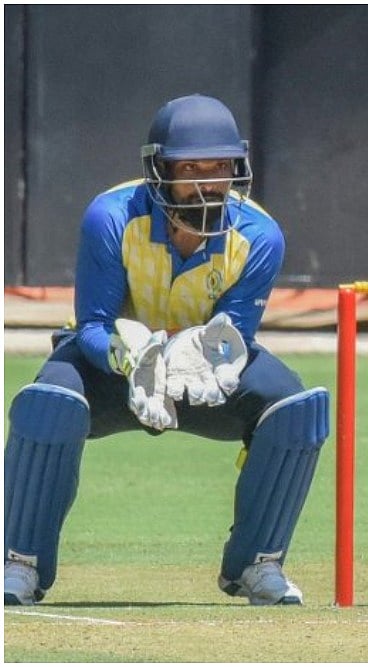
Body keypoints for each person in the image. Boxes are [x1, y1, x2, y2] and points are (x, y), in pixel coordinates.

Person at [4, 94, 329, 606]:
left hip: (198, 371)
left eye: (220, 167)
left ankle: (258, 563)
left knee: (295, 408)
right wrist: (130, 357)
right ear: (160, 170)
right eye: (191, 168)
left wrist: (203, 354)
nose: (207, 183)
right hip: (112, 366)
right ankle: (20, 563)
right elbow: (92, 326)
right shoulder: (111, 216)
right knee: (49, 403)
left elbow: (236, 335)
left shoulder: (259, 235)